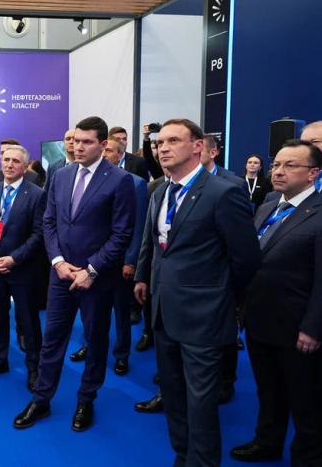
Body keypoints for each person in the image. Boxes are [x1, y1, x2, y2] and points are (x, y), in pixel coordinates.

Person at [133, 118, 261, 466]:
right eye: (159, 142)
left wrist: (221, 299)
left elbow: (246, 259)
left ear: (198, 146)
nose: (163, 148)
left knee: (201, 402)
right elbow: (156, 245)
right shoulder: (160, 191)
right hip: (163, 311)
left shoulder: (223, 192)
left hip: (204, 316)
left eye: (173, 140)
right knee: (173, 395)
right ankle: (183, 455)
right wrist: (146, 278)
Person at [13, 116, 135, 432]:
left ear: (103, 144)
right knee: (52, 339)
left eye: (86, 142)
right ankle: (41, 399)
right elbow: (49, 222)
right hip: (61, 274)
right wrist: (57, 261)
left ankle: (86, 400)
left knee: (95, 341)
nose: (78, 147)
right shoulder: (61, 175)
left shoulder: (120, 180)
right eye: (76, 141)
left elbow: (122, 234)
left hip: (97, 278)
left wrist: (92, 269)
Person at [230, 139, 322, 465]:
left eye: (290, 165)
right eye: (276, 165)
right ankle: (267, 442)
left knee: (306, 400)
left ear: (313, 173)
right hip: (259, 320)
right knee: (268, 390)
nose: (279, 171)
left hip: (298, 328)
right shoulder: (268, 206)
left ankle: (308, 457)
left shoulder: (318, 213)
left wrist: (313, 327)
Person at [69, 136, 148, 375]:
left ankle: (121, 354)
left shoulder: (135, 183)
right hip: (93, 260)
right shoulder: (87, 181)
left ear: (120, 155)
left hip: (120, 263)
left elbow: (138, 227)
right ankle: (89, 345)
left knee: (122, 312)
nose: (105, 155)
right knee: (90, 309)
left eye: (110, 151)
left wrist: (131, 260)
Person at [0, 145, 45, 391]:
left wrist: (14, 259)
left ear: (25, 166)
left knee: (29, 320)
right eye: (6, 160)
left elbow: (38, 234)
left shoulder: (37, 194)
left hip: (22, 269)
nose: (10, 165)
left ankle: (34, 366)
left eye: (16, 161)